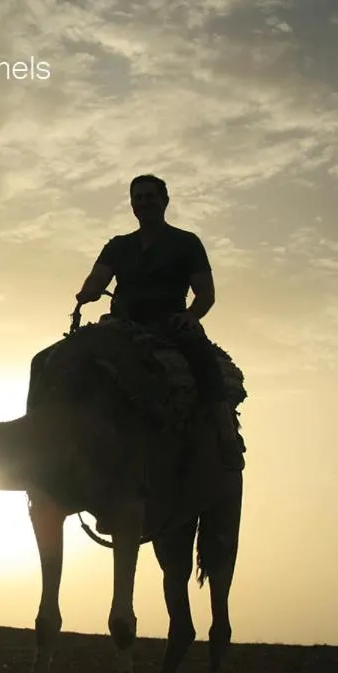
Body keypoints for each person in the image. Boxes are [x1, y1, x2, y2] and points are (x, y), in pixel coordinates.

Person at [74, 174, 243, 469]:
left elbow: (205, 293)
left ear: (164, 201)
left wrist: (191, 316)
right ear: (132, 205)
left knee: (203, 360)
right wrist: (88, 291)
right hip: (122, 323)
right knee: (72, 357)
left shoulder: (186, 243)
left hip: (169, 323)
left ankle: (226, 433)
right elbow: (98, 276)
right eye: (138, 197)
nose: (144, 202)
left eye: (150, 196)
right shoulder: (118, 245)